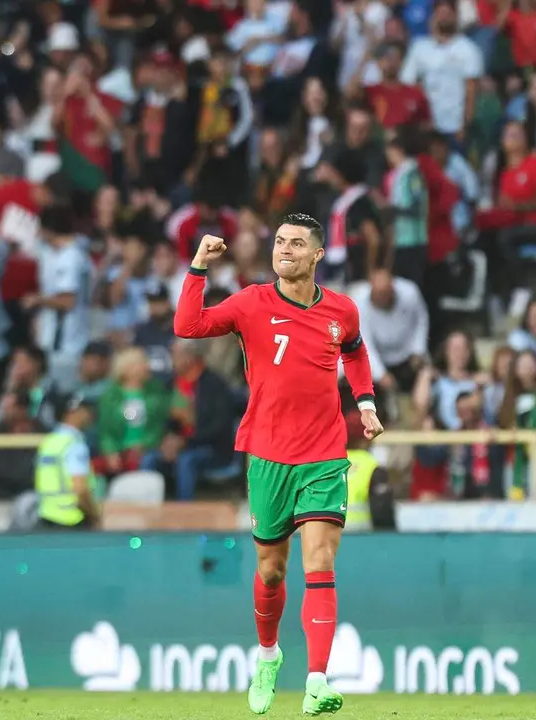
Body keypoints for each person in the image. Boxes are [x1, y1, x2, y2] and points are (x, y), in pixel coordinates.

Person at [174, 213, 384, 716]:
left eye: (296, 243)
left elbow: (354, 354)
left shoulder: (342, 311)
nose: (284, 249)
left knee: (321, 560)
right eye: (279, 242)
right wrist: (199, 266)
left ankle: (316, 681)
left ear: (317, 256)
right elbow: (188, 325)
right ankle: (268, 656)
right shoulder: (251, 303)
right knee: (271, 569)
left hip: (324, 453)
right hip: (267, 453)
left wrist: (367, 402)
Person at [34, 394, 103, 530]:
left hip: (46, 518)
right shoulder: (74, 444)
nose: (89, 414)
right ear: (72, 412)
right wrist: (94, 516)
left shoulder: (50, 442)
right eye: (85, 409)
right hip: (72, 522)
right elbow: (80, 489)